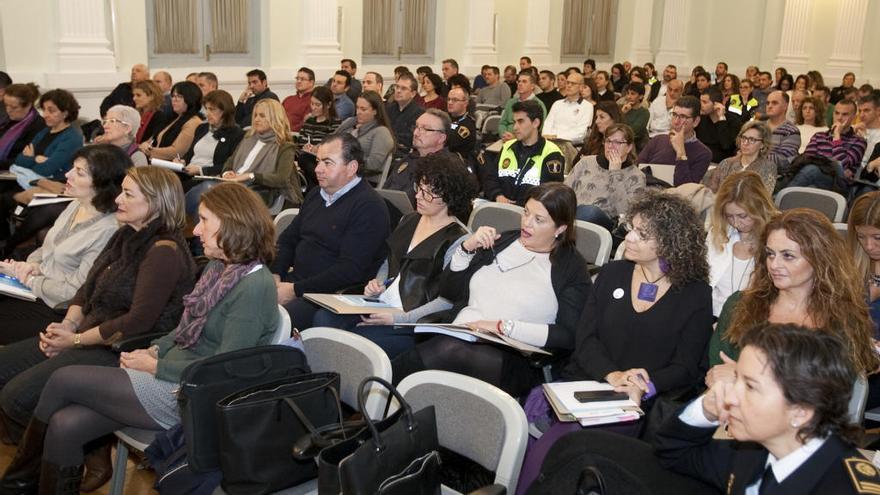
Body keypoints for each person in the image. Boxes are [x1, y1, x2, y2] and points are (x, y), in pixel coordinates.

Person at [0, 182, 278, 493]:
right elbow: (182, 328)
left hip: (189, 394)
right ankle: (22, 485)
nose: (196, 230)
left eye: (203, 220)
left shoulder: (253, 286)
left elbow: (223, 370)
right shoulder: (219, 268)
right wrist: (155, 349)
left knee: (64, 380)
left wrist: (155, 366)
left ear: (231, 223)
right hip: (173, 371)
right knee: (66, 425)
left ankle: (13, 485)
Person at [517, 190, 713, 494]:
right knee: (542, 441)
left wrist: (641, 385)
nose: (629, 238)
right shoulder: (612, 273)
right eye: (631, 228)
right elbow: (586, 339)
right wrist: (612, 375)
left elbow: (687, 366)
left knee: (564, 447)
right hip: (589, 383)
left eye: (641, 233)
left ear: (670, 244)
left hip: (639, 404)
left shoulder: (695, 294)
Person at [0, 166, 196, 453]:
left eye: (128, 194)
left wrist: (76, 340)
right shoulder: (125, 234)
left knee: (16, 398)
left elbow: (136, 323)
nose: (118, 200)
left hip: (117, 348)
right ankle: (52, 455)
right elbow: (87, 288)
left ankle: (69, 456)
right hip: (86, 332)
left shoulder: (164, 252)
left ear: (155, 203)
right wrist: (68, 325)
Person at [549, 323, 873, 495]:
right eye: (736, 380)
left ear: (801, 411)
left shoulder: (843, 486)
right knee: (581, 449)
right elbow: (670, 453)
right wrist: (704, 409)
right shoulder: (754, 451)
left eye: (750, 386)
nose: (730, 396)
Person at [392, 183, 591, 397]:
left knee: (447, 352)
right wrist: (465, 250)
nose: (526, 223)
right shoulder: (503, 241)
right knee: (446, 353)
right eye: (526, 213)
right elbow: (449, 291)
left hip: (513, 357)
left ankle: (378, 393)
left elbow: (567, 335)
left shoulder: (571, 268)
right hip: (461, 333)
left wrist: (502, 327)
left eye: (538, 220)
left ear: (560, 228)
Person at [707, 208, 878, 405]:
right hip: (737, 414)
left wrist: (743, 376)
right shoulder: (739, 305)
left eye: (787, 256)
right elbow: (718, 371)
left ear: (818, 259)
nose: (774, 264)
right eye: (770, 254)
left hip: (808, 427)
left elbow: (831, 391)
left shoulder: (842, 317)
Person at [313, 155, 475, 357]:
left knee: (358, 341)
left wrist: (399, 319)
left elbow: (446, 301)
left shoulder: (458, 240)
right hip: (382, 303)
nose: (418, 197)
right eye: (419, 188)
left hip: (410, 320)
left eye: (429, 194)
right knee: (324, 319)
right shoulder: (409, 219)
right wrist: (377, 283)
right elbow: (389, 262)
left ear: (450, 196)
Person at [0, 145, 129, 345]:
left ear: (102, 183)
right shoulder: (76, 204)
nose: (67, 175)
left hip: (56, 308)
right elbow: (46, 248)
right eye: (72, 168)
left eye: (79, 172)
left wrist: (31, 280)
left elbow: (76, 291)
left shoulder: (108, 230)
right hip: (34, 288)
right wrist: (30, 265)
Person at [272, 133, 390, 330]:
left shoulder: (369, 207)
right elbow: (288, 240)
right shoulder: (317, 194)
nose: (318, 169)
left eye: (327, 163)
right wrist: (276, 273)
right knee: (241, 297)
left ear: (351, 168)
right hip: (296, 283)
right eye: (318, 161)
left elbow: (349, 271)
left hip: (330, 295)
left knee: (271, 321)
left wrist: (294, 290)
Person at [191, 98, 301, 212]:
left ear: (275, 118)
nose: (257, 119)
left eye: (262, 116)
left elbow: (280, 179)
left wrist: (250, 176)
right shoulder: (248, 139)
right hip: (235, 183)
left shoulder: (285, 147)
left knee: (207, 192)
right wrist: (227, 172)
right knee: (203, 192)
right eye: (256, 115)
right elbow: (230, 161)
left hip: (260, 190)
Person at [706, 171, 777, 317]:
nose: (736, 223)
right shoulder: (718, 232)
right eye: (729, 216)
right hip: (713, 314)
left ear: (759, 208)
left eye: (742, 216)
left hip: (755, 318)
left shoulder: (777, 238)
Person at [483, 100, 565, 206]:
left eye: (520, 121)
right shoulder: (507, 147)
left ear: (536, 123)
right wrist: (497, 195)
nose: (515, 127)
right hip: (500, 206)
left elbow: (549, 195)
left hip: (531, 214)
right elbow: (490, 178)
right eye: (514, 122)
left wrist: (517, 206)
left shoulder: (552, 153)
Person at [176, 90, 244, 213]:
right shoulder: (201, 128)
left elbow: (230, 165)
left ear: (224, 111)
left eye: (212, 110)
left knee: (193, 191)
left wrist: (200, 170)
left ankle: (177, 216)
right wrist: (182, 160)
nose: (207, 113)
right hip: (187, 173)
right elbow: (191, 153)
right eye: (206, 109)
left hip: (208, 178)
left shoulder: (236, 133)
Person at [565, 123, 644, 229]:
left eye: (617, 142)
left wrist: (615, 173)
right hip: (572, 214)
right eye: (608, 141)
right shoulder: (586, 162)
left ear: (629, 147)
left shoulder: (637, 176)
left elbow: (627, 213)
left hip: (606, 223)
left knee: (590, 212)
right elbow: (565, 191)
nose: (611, 146)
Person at [5, 89, 83, 191]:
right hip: (30, 182)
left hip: (53, 186)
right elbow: (19, 160)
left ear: (65, 113)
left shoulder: (72, 138)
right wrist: (37, 159)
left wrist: (30, 159)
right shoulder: (45, 131)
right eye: (44, 110)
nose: (45, 115)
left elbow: (46, 169)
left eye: (51, 110)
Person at [787, 99, 866, 191]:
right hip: (814, 178)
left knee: (812, 170)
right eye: (836, 113)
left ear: (853, 117)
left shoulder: (859, 142)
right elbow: (807, 159)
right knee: (809, 185)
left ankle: (778, 200)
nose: (839, 118)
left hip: (839, 185)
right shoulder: (819, 136)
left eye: (845, 114)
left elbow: (841, 166)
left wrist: (837, 137)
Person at [638, 96, 713, 186]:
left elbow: (686, 188)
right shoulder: (657, 140)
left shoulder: (703, 153)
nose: (676, 122)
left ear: (695, 121)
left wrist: (681, 154)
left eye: (683, 117)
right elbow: (637, 171)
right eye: (674, 115)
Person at [336, 91, 396, 185]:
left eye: (363, 109)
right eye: (357, 108)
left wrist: (346, 160)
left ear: (375, 111)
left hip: (366, 180)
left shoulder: (381, 132)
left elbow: (373, 165)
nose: (358, 112)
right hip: (350, 175)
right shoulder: (354, 127)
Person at [702, 121, 776, 194]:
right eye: (744, 138)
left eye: (752, 140)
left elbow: (762, 198)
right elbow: (711, 192)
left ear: (762, 144)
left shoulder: (768, 167)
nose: (745, 143)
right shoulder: (726, 163)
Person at [140, 81, 203, 161]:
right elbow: (151, 140)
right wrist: (145, 145)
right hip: (157, 164)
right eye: (173, 96)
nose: (174, 100)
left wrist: (149, 151)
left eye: (179, 96)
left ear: (190, 99)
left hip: (172, 169)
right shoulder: (172, 117)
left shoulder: (193, 122)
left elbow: (177, 152)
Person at [295, 86, 341, 191]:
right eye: (312, 104)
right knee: (301, 158)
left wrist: (318, 149)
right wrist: (305, 147)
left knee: (304, 160)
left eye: (318, 105)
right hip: (305, 159)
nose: (313, 107)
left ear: (328, 105)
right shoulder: (309, 121)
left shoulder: (335, 123)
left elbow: (333, 147)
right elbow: (300, 142)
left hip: (322, 161)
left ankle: (315, 189)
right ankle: (315, 190)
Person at [0, 83, 46, 169]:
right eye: (6, 105)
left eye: (14, 107)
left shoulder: (38, 126)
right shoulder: (4, 120)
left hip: (11, 176)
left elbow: (27, 159)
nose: (8, 110)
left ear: (28, 105)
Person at [541, 71, 593, 146]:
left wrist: (556, 137)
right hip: (550, 143)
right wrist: (547, 136)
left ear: (581, 87)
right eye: (567, 83)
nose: (569, 85)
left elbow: (581, 133)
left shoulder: (587, 106)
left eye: (573, 83)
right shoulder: (557, 103)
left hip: (571, 146)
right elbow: (547, 124)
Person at [498, 71, 548, 142]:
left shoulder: (538, 104)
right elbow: (502, 123)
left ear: (532, 86)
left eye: (524, 82)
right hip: (506, 140)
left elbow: (539, 129)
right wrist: (504, 135)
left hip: (526, 142)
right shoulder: (510, 102)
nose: (520, 84)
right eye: (519, 81)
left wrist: (515, 137)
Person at [695, 87, 741, 163]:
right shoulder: (700, 119)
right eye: (700, 101)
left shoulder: (733, 121)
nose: (701, 105)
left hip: (721, 163)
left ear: (716, 104)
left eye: (705, 102)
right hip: (700, 161)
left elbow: (726, 145)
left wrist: (721, 118)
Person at [385, 73, 424, 157]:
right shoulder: (388, 108)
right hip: (386, 149)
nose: (398, 91)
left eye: (403, 88)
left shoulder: (420, 113)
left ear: (413, 94)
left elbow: (410, 139)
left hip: (405, 154)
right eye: (397, 87)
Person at [130, 80, 168, 146]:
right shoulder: (134, 114)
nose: (134, 98)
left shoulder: (160, 117)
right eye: (134, 95)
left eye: (138, 95)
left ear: (151, 97)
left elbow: (153, 142)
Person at [282, 67, 316, 132]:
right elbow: (276, 118)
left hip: (297, 136)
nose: (298, 81)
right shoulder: (288, 99)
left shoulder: (313, 101)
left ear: (311, 82)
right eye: (297, 78)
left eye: (302, 79)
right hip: (280, 135)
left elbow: (305, 124)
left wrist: (287, 132)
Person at [620, 82, 650, 150]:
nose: (629, 96)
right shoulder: (622, 108)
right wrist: (622, 113)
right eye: (628, 93)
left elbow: (632, 131)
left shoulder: (644, 112)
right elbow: (614, 126)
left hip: (637, 144)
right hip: (620, 141)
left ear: (641, 96)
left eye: (632, 94)